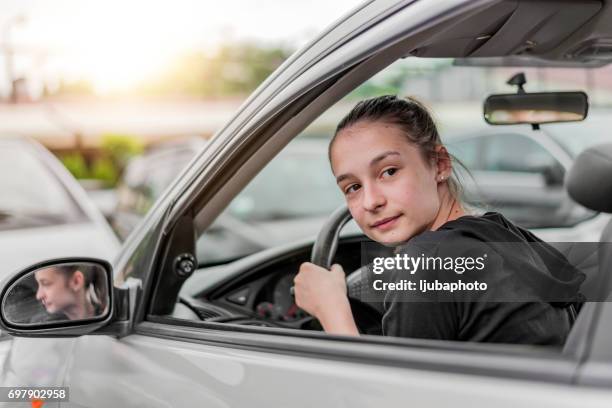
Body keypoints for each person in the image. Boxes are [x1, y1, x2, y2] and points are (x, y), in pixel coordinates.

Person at [293, 95, 584, 345]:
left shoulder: (426, 263)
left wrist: (331, 310)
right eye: (353, 188)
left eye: (389, 171)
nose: (371, 202)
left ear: (439, 164)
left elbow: (392, 397)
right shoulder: (497, 231)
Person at [34, 264, 105, 321]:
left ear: (76, 281)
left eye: (46, 283)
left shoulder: (106, 315)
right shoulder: (42, 323)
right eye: (38, 285)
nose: (38, 295)